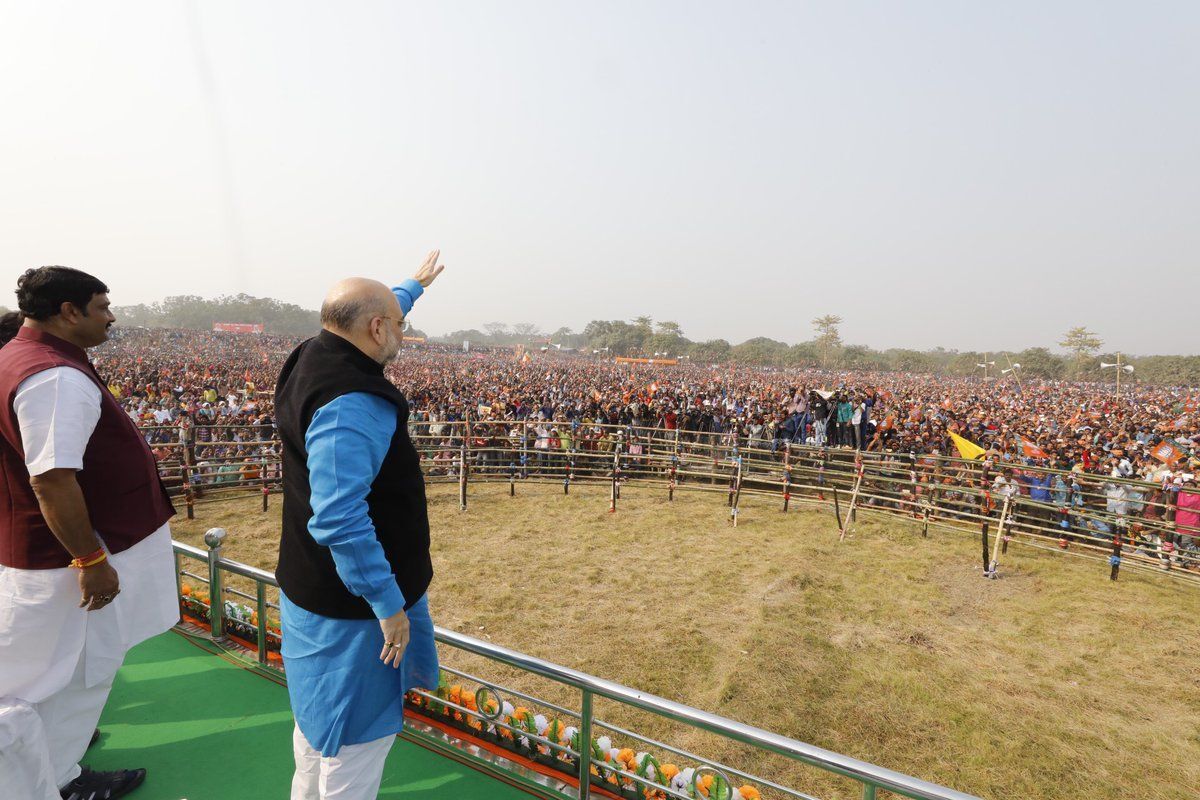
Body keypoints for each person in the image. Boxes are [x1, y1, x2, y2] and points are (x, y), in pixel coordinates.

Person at [0, 267, 177, 800]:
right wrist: (89, 559)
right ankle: (41, 784)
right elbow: (53, 479)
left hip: (52, 556)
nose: (111, 315)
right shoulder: (54, 376)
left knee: (70, 673)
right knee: (52, 681)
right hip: (63, 565)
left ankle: (58, 774)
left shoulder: (21, 356)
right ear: (69, 312)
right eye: (102, 306)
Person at [274, 252, 445, 800]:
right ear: (376, 329)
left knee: (313, 730)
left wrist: (411, 288)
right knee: (355, 749)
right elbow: (342, 518)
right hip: (355, 612)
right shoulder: (354, 402)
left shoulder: (313, 352)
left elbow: (368, 309)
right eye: (399, 324)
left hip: (312, 589)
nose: (402, 331)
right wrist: (388, 606)